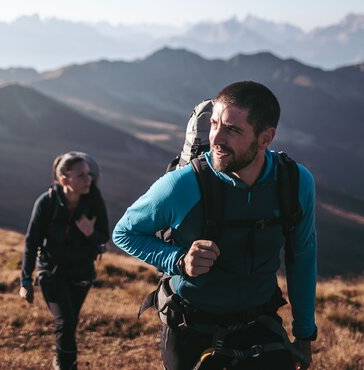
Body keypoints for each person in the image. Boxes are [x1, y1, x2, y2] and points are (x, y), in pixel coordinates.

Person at [113, 81, 317, 370]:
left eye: (232, 130)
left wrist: (305, 333)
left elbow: (303, 257)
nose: (216, 138)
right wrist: (179, 260)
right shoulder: (182, 185)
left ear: (265, 138)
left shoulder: (295, 183)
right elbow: (124, 232)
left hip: (260, 322)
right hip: (191, 327)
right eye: (214, 124)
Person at [20, 152, 110, 370]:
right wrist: (25, 281)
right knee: (65, 322)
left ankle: (61, 358)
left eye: (88, 174)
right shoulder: (46, 202)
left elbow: (104, 236)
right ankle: (66, 365)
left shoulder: (93, 200)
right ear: (64, 180)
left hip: (81, 274)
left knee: (69, 324)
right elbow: (31, 242)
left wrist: (89, 233)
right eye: (81, 176)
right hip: (51, 272)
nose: (88, 179)